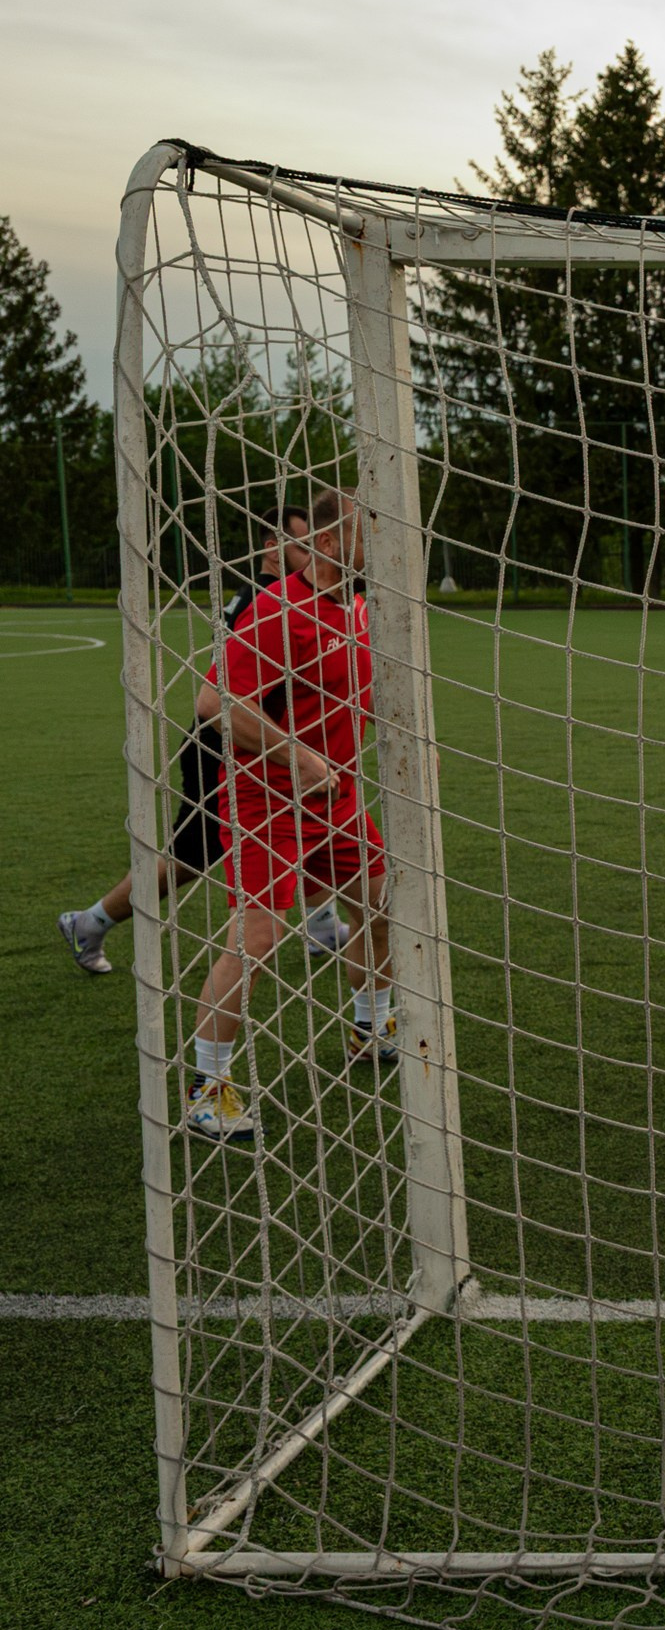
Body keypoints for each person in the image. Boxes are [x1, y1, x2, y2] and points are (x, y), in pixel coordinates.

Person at [179, 489, 401, 1146]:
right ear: (330, 544)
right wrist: (295, 754)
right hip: (266, 804)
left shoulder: (361, 606)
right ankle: (206, 1092)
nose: (381, 545)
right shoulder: (278, 610)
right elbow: (213, 702)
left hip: (337, 805)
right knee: (256, 941)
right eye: (369, 532)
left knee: (384, 907)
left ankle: (370, 1028)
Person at [57, 509, 347, 975]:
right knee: (192, 855)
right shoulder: (272, 598)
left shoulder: (302, 596)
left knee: (308, 820)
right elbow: (225, 697)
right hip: (224, 746)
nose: (313, 554)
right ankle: (90, 921)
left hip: (262, 745)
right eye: (301, 544)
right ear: (273, 548)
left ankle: (322, 925)